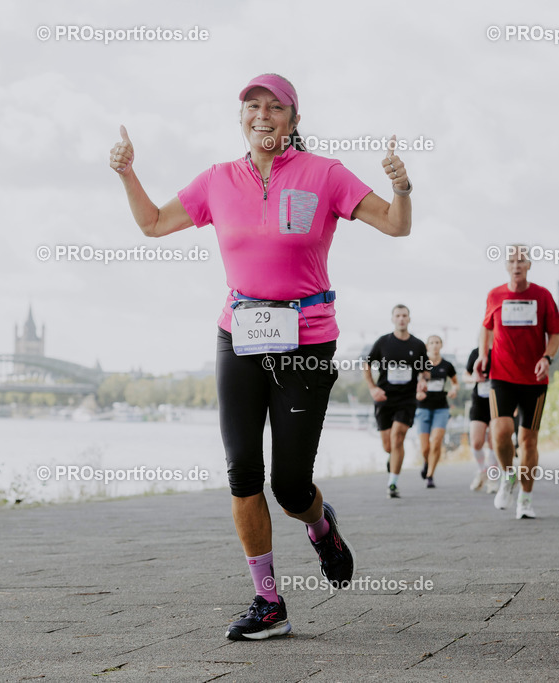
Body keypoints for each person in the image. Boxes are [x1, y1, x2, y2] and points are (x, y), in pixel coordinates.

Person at [110, 73, 414, 641]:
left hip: (306, 340)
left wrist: (400, 187)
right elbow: (152, 224)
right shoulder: (217, 180)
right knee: (243, 472)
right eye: (253, 106)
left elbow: (397, 227)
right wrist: (128, 171)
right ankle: (268, 601)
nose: (263, 115)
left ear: (294, 121)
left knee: (290, 486)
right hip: (239, 337)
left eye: (276, 107)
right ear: (241, 118)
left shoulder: (325, 174)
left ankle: (321, 526)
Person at [480, 245, 559, 519]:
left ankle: (525, 499)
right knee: (500, 432)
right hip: (501, 375)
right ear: (506, 266)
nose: (517, 264)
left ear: (529, 265)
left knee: (528, 440)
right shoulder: (495, 295)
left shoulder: (542, 295)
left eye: (522, 260)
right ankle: (507, 475)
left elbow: (555, 335)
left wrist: (547, 358)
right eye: (512, 260)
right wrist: (483, 355)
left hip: (534, 378)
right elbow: (486, 326)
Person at [365, 305, 428, 498]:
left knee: (398, 436)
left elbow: (425, 371)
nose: (401, 319)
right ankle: (392, 459)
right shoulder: (383, 342)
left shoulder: (417, 345)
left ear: (409, 319)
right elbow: (366, 365)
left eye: (405, 316)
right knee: (388, 445)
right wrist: (373, 388)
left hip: (407, 399)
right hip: (385, 397)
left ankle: (392, 483)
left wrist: (423, 382)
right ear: (393, 319)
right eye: (398, 316)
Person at [414, 335, 459, 488]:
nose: (434, 345)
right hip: (423, 408)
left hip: (441, 408)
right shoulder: (420, 364)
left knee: (436, 442)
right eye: (431, 343)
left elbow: (455, 383)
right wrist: (417, 394)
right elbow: (412, 384)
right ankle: (427, 462)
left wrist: (454, 390)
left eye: (437, 342)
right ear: (427, 346)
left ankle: (430, 475)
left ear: (441, 345)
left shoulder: (447, 365)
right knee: (425, 447)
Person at [465, 340, 496, 493]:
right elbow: (466, 375)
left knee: (493, 443)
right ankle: (482, 470)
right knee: (476, 442)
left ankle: (492, 478)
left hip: (498, 402)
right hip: (479, 402)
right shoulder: (475, 353)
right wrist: (474, 378)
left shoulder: (501, 351)